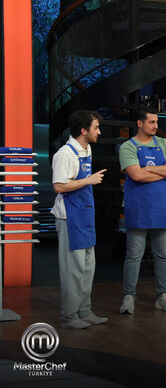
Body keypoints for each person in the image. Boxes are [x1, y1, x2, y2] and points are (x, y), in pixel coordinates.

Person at [119, 106, 166, 314]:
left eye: (156, 122)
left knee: (162, 255)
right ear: (140, 123)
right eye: (151, 122)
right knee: (133, 255)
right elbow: (136, 175)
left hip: (160, 207)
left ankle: (163, 296)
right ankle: (129, 297)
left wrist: (150, 168)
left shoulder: (165, 144)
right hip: (138, 208)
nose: (156, 126)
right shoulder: (128, 147)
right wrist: (163, 171)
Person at [51, 110, 109, 329]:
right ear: (84, 130)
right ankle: (69, 316)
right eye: (96, 128)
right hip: (70, 217)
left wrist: (88, 181)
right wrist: (89, 180)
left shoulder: (87, 149)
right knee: (72, 270)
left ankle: (84, 311)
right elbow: (59, 186)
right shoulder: (65, 154)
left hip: (85, 214)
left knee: (87, 267)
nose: (99, 132)